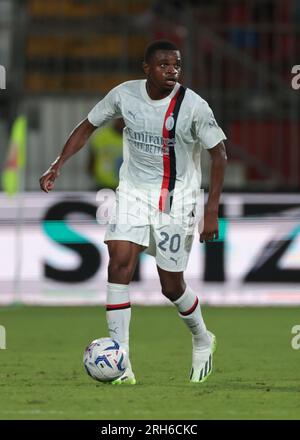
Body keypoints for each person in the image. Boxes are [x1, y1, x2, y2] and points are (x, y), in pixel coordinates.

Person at [40, 40, 227, 384]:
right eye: (164, 65)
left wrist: (211, 209)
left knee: (170, 286)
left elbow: (219, 154)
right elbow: (87, 126)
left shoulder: (193, 107)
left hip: (178, 200)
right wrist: (58, 163)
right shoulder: (124, 95)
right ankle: (122, 361)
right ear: (146, 68)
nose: (171, 71)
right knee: (119, 260)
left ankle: (202, 337)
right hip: (133, 194)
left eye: (176, 65)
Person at [88, 118, 124, 190]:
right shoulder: (101, 136)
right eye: (121, 120)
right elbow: (92, 159)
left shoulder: (134, 138)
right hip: (102, 185)